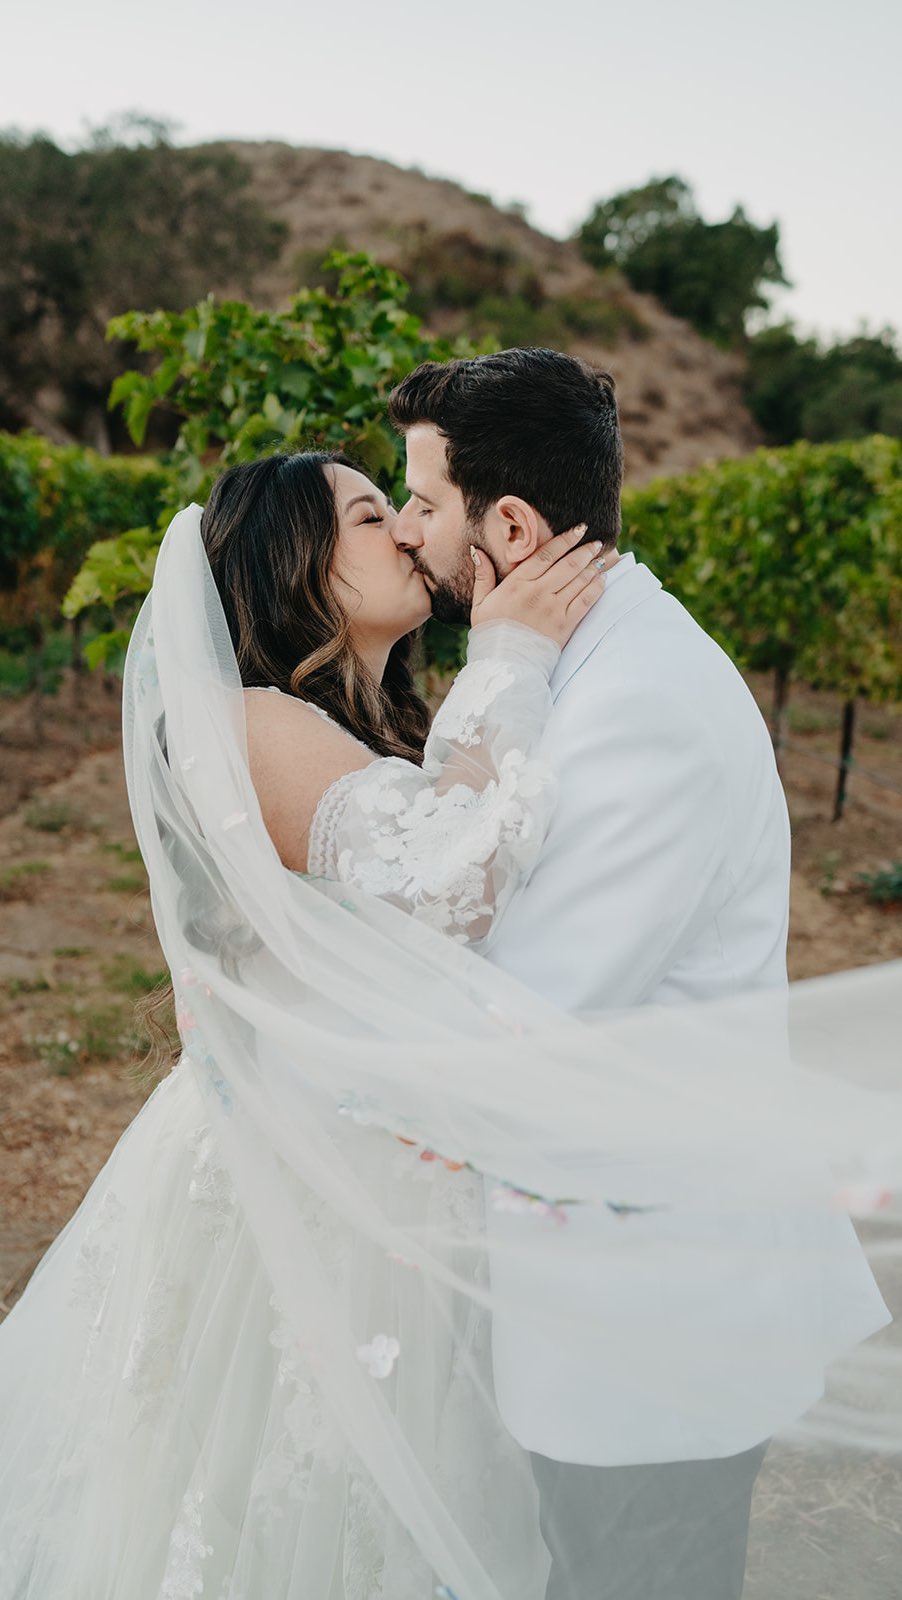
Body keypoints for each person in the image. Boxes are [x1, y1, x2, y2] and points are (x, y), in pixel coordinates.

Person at [0, 435, 894, 1600]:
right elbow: (455, 882)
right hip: (309, 1188)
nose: (409, 534)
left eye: (407, 505)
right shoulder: (251, 720)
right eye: (374, 515)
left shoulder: (366, 724)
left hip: (387, 1171)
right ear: (296, 558)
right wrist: (513, 652)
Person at [387, 348, 891, 1600]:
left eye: (424, 502)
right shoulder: (586, 663)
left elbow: (532, 1017)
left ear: (506, 525)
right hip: (601, 1284)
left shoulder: (644, 705)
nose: (408, 530)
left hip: (655, 1323)